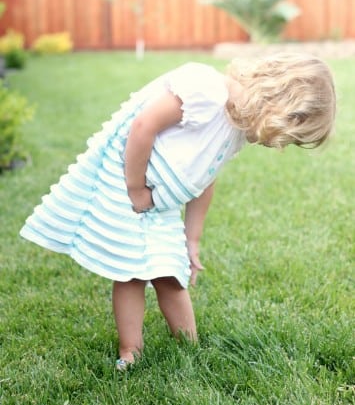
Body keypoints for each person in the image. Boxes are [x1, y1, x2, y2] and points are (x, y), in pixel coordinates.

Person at [20, 52, 336, 370]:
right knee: (130, 272)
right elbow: (143, 126)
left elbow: (203, 178)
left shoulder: (235, 130)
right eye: (285, 135)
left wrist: (192, 239)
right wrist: (135, 188)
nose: (277, 145)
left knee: (171, 273)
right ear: (279, 98)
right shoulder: (205, 89)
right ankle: (130, 350)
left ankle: (189, 348)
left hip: (159, 201)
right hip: (127, 182)